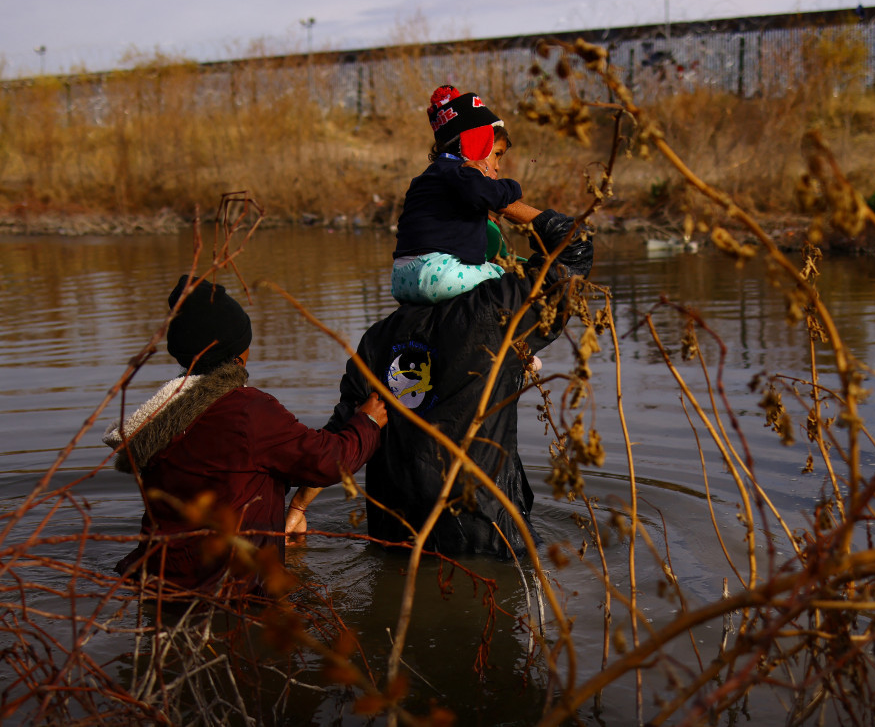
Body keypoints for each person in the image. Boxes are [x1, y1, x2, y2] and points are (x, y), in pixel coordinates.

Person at [301, 208, 593, 559]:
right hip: (485, 540)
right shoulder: (492, 315)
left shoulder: (377, 339)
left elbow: (343, 436)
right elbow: (574, 247)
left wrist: (298, 508)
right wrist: (500, 198)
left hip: (397, 540)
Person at [105, 274, 387, 594]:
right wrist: (368, 422)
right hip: (229, 593)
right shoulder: (248, 411)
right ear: (239, 352)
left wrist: (288, 517)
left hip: (158, 585)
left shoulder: (163, 414)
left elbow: (239, 472)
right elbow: (328, 460)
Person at [391, 85, 544, 304]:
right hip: (438, 274)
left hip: (401, 279)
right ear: (476, 145)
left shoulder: (430, 177)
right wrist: (513, 188)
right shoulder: (462, 173)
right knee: (507, 279)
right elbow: (491, 195)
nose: (498, 167)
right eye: (496, 155)